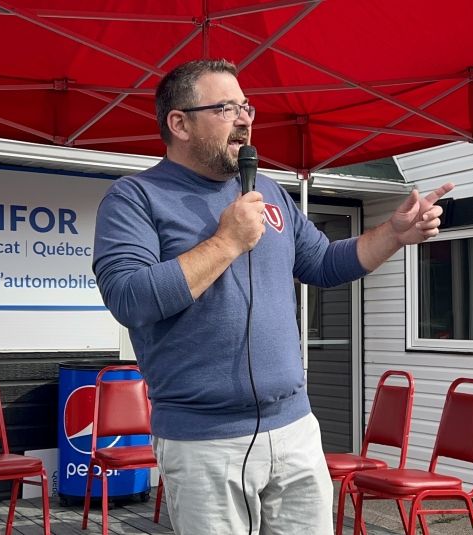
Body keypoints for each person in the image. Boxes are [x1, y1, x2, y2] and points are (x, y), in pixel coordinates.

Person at [92, 58, 454, 535]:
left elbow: (324, 263)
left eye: (246, 107)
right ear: (179, 123)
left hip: (294, 429)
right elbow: (129, 298)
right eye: (226, 108)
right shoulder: (135, 198)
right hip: (204, 441)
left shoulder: (268, 190)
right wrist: (225, 242)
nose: (244, 119)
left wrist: (394, 233)